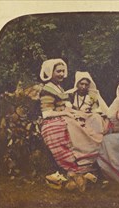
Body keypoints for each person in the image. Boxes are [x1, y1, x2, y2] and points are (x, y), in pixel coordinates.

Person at [39, 59, 95, 192]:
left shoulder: (59, 88)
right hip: (51, 122)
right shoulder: (47, 89)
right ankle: (74, 170)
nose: (61, 74)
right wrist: (67, 114)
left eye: (63, 71)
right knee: (70, 128)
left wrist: (76, 113)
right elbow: (46, 113)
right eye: (58, 71)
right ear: (50, 72)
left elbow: (67, 107)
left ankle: (85, 167)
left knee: (92, 121)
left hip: (63, 117)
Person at [64, 71, 109, 175]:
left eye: (86, 84)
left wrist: (86, 113)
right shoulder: (70, 94)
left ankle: (93, 156)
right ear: (77, 84)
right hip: (74, 117)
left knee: (97, 118)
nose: (84, 86)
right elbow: (67, 108)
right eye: (81, 84)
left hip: (88, 117)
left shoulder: (92, 96)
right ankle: (79, 157)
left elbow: (97, 109)